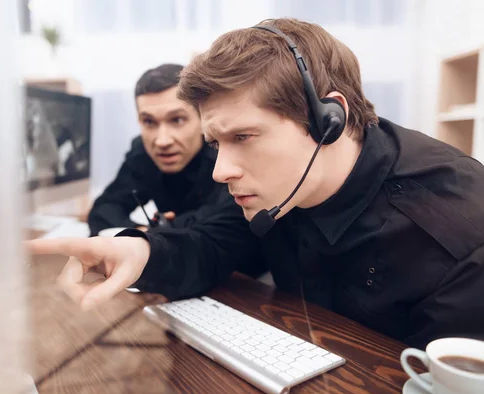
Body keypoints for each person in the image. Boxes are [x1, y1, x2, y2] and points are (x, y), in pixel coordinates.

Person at [28, 18, 484, 349]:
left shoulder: (460, 236)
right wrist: (141, 251)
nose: (220, 170)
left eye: (243, 137)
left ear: (329, 119)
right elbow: (210, 245)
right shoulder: (274, 189)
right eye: (215, 142)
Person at [87, 63, 231, 236]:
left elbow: (227, 223)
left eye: (177, 120)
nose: (162, 141)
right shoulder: (142, 153)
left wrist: (156, 235)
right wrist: (142, 233)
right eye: (149, 122)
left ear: (203, 120)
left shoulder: (226, 154)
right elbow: (104, 210)